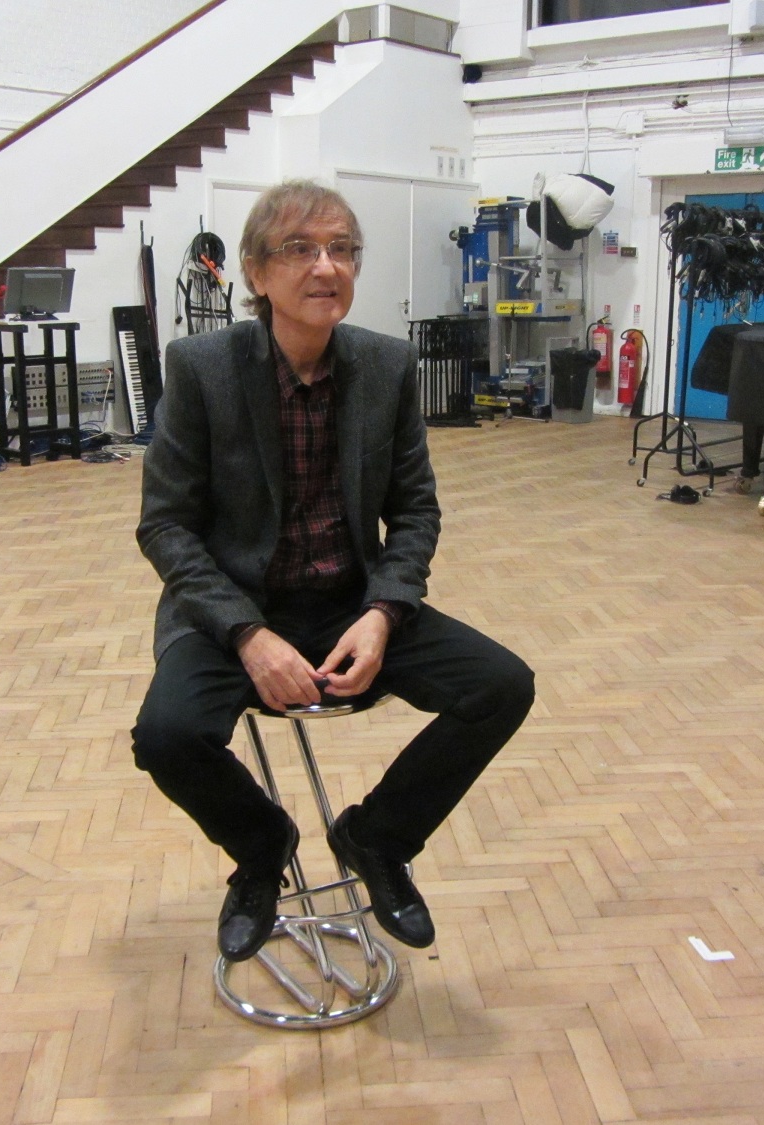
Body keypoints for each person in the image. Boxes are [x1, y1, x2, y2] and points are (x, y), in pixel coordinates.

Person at [132, 179, 534, 962]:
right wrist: (248, 635)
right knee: (167, 735)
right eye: (301, 249)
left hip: (350, 603)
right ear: (255, 273)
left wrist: (383, 614)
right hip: (234, 610)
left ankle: (377, 837)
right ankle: (261, 849)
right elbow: (165, 525)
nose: (327, 267)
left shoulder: (386, 365)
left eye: (342, 249)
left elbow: (415, 512)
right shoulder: (202, 367)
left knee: (501, 685)